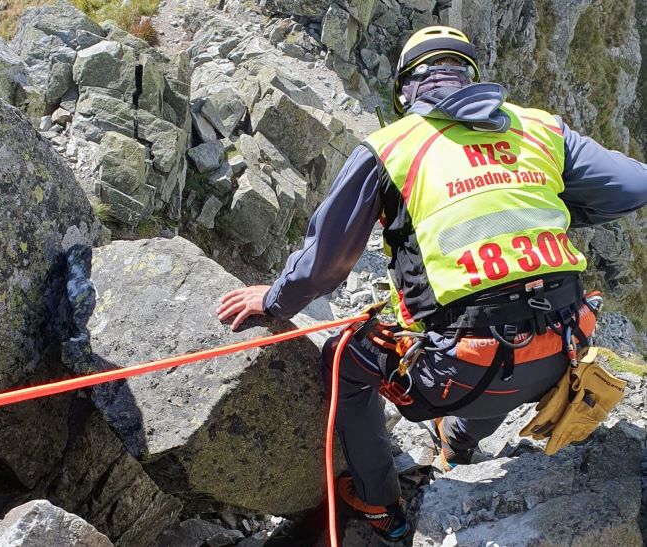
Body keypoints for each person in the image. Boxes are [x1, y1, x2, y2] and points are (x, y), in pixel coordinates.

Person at [217, 25, 647, 541]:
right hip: (563, 356)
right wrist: (545, 202)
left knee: (344, 359)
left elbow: (325, 266)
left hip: (465, 373)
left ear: (405, 91)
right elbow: (634, 185)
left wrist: (274, 298)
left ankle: (381, 506)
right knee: (500, 338)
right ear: (470, 78)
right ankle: (458, 445)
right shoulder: (539, 129)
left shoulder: (392, 147)